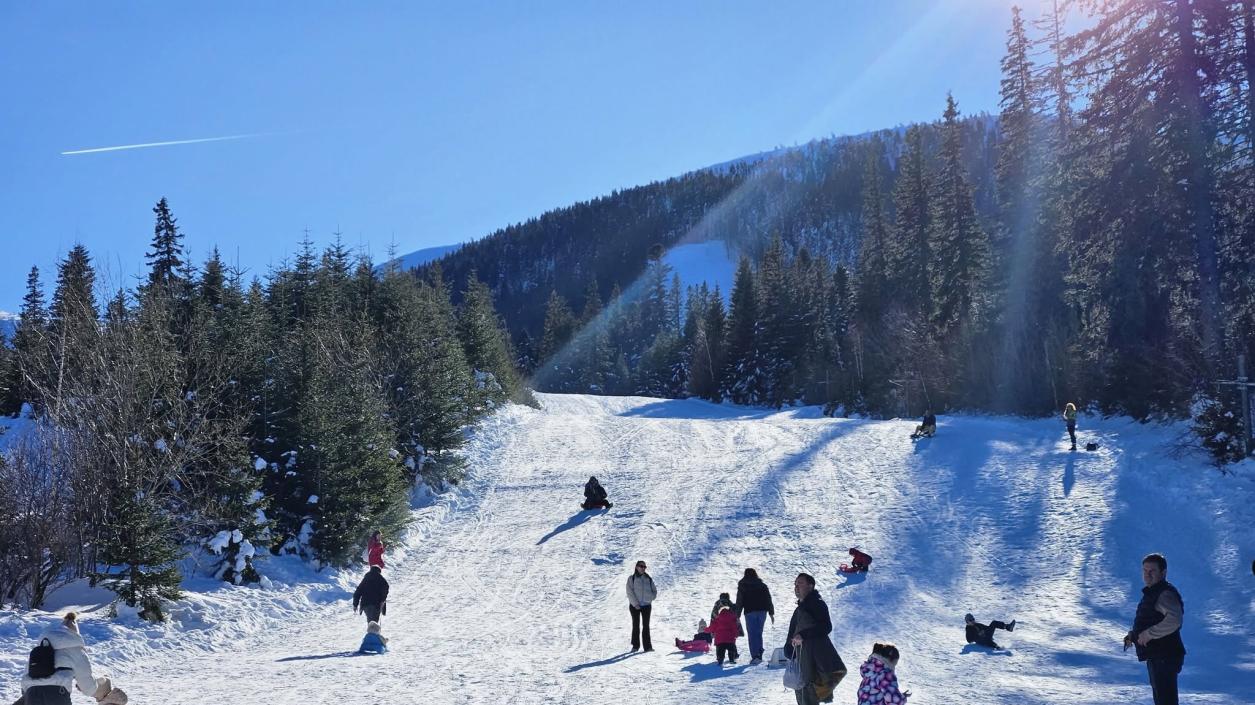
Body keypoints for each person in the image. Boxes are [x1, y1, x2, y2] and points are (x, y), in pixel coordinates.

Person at [18, 612, 126, 705]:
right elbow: (88, 688)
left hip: (31, 697)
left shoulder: (38, 650)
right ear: (75, 633)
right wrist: (103, 683)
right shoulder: (76, 650)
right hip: (57, 697)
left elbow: (25, 684)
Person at [1123, 553, 1186, 705]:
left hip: (1165, 655)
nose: (1147, 574)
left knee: (1166, 700)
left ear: (1163, 573)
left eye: (1152, 571)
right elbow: (1150, 619)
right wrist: (1133, 635)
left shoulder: (1164, 593)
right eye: (1145, 570)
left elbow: (1174, 619)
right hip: (1159, 655)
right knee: (1162, 699)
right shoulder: (1153, 592)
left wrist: (1149, 634)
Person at [784, 573, 847, 705]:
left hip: (814, 660)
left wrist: (804, 635)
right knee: (802, 694)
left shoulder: (817, 604)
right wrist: (788, 649)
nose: (796, 586)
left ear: (810, 586)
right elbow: (794, 631)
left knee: (809, 693)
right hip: (801, 659)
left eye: (800, 583)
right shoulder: (800, 608)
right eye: (795, 584)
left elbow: (826, 626)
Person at [735, 567, 775, 664]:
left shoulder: (743, 585)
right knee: (758, 633)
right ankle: (759, 652)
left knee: (752, 634)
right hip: (762, 611)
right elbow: (768, 599)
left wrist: (737, 615)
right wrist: (771, 613)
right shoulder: (762, 585)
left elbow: (739, 600)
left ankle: (755, 655)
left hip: (750, 611)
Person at [626, 560, 656, 652]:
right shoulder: (632, 578)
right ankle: (635, 646)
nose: (643, 568)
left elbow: (654, 591)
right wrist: (635, 604)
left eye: (644, 567)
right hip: (635, 606)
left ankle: (648, 647)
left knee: (646, 626)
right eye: (641, 566)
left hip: (646, 606)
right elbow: (629, 592)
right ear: (636, 567)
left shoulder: (648, 579)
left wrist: (650, 598)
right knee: (636, 625)